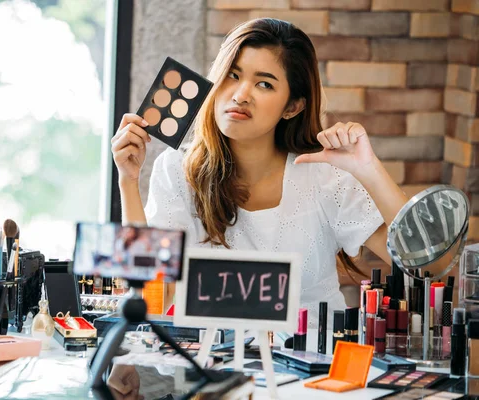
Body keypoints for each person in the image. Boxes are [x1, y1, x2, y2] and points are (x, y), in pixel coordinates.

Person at [110, 18, 408, 326]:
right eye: (233, 75)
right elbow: (152, 299)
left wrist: (369, 169)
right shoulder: (176, 171)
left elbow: (422, 265)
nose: (241, 94)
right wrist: (128, 181)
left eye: (264, 83)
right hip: (211, 367)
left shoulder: (324, 177)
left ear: (292, 106)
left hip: (311, 366)